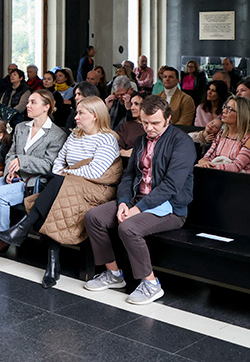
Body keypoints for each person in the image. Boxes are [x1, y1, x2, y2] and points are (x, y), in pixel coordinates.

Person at [0, 96, 122, 288]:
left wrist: (68, 173)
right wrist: (65, 174)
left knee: (54, 192)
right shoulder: (75, 135)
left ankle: (24, 229)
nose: (76, 116)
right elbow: (58, 163)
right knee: (55, 203)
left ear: (95, 116)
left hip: (96, 189)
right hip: (67, 186)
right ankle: (51, 264)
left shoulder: (107, 139)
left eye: (81, 113)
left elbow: (96, 172)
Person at [83, 95, 195, 305]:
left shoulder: (182, 142)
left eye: (155, 123)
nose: (149, 128)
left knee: (129, 228)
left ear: (168, 119)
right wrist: (124, 202)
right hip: (138, 200)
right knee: (94, 217)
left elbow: (172, 185)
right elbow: (129, 176)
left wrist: (138, 209)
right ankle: (114, 274)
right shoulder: (140, 141)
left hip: (171, 208)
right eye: (145, 123)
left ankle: (151, 284)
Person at [0, 90, 67, 257]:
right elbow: (10, 154)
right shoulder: (21, 127)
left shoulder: (57, 134)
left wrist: (22, 161)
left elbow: (50, 165)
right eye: (28, 102)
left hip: (32, 182)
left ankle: (1, 240)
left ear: (46, 107)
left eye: (33, 102)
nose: (28, 106)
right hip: (14, 177)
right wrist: (9, 171)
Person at [196, 96, 250, 174]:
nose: (224, 111)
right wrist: (203, 162)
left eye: (229, 109)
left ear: (242, 115)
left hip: (243, 180)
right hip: (221, 174)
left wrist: (210, 168)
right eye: (225, 107)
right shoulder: (221, 134)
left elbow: (236, 167)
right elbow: (207, 157)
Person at [117, 91, 146, 157]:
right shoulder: (125, 126)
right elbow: (117, 147)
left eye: (136, 104)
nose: (132, 108)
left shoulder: (154, 126)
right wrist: (125, 152)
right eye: (131, 104)